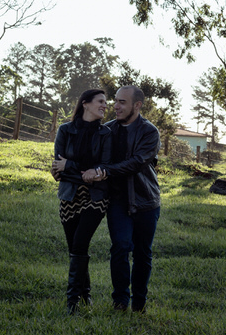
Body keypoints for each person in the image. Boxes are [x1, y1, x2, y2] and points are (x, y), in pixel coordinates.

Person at [82, 85, 160, 313]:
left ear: (137, 105)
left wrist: (104, 172)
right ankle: (120, 303)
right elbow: (90, 155)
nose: (115, 106)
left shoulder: (150, 132)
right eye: (115, 101)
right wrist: (65, 165)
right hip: (118, 201)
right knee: (120, 247)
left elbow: (137, 162)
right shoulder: (106, 130)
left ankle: (139, 304)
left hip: (147, 201)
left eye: (122, 102)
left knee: (143, 254)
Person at [51, 89, 111, 315]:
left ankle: (72, 303)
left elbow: (105, 168)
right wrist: (80, 172)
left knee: (80, 243)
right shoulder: (65, 130)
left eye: (106, 102)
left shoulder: (106, 134)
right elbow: (58, 169)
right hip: (69, 196)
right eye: (101, 102)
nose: (105, 106)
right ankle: (85, 294)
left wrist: (71, 167)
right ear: (85, 104)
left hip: (96, 198)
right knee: (75, 247)